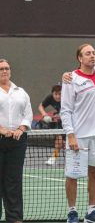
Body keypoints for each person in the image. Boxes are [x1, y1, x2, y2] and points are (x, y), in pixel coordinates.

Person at [61, 44, 95, 223]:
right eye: (88, 54)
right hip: (78, 135)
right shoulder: (71, 79)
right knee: (72, 175)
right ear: (80, 58)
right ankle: (72, 212)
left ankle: (91, 212)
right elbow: (65, 110)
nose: (92, 56)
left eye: (94, 53)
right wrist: (71, 134)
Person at [0, 59, 33, 223]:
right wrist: (1, 130)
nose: (4, 71)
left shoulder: (21, 92)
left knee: (13, 180)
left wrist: (21, 129)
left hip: (17, 143)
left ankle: (14, 218)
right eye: (1, 69)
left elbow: (28, 114)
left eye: (7, 68)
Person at [39, 84, 64, 166]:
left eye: (60, 94)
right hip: (61, 123)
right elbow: (40, 106)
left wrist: (61, 115)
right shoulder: (50, 98)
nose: (57, 96)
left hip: (73, 123)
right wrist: (44, 114)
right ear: (52, 94)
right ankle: (54, 158)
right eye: (55, 94)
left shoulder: (67, 98)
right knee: (59, 142)